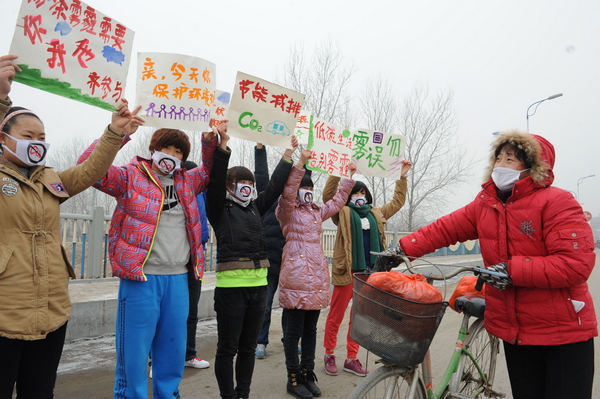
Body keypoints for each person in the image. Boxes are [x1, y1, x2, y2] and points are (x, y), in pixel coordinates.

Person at [385, 131, 597, 399]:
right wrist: (401, 249)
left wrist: (512, 270)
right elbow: (444, 229)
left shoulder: (557, 202)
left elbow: (575, 264)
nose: (501, 164)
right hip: (515, 332)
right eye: (499, 157)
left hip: (563, 333)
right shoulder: (485, 203)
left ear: (533, 166)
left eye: (511, 158)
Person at [0, 54, 143, 398]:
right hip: (5, 317)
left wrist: (114, 134)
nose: (37, 140)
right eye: (27, 134)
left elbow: (88, 172)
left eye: (42, 135)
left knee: (40, 391)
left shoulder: (49, 179)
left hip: (52, 313)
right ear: (3, 139)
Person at [78, 119, 227, 398]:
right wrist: (116, 134)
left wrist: (211, 142)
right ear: (153, 149)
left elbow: (210, 173)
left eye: (178, 152)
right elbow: (90, 169)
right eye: (166, 148)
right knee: (133, 356)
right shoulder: (130, 177)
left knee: (172, 352)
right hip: (141, 279)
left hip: (178, 279)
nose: (171, 156)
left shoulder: (187, 182)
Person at [206, 135, 297, 399]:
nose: (246, 187)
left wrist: (288, 155)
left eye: (249, 183)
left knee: (247, 348)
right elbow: (213, 183)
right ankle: (228, 396)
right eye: (240, 183)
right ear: (229, 186)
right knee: (227, 349)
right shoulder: (219, 209)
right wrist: (222, 148)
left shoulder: (256, 208)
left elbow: (276, 187)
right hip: (231, 290)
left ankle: (242, 393)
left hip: (258, 287)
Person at [277, 150, 356, 399]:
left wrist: (348, 178)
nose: (306, 190)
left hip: (316, 277)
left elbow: (337, 202)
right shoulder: (287, 211)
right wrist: (299, 165)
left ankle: (307, 372)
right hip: (295, 276)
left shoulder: (315, 212)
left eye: (309, 186)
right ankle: (293, 377)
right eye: (303, 186)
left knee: (311, 330)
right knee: (293, 331)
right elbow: (288, 193)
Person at [322, 160, 413, 376]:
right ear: (349, 195)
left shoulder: (376, 214)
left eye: (362, 192)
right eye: (355, 192)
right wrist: (341, 173)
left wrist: (402, 176)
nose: (359, 195)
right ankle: (329, 354)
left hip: (369, 273)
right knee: (336, 313)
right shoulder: (341, 212)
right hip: (348, 271)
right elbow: (328, 197)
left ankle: (352, 358)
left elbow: (398, 202)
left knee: (359, 316)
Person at [253, 142, 296, 359]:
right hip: (269, 262)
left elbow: (303, 176)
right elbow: (261, 173)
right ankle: (261, 341)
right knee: (266, 305)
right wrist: (260, 149)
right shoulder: (267, 199)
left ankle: (290, 339)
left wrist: (309, 157)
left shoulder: (294, 206)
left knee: (291, 306)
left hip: (290, 264)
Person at [181, 160, 211, 370]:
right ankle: (157, 359)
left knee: (192, 309)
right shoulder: (172, 190)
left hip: (197, 256)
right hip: (174, 255)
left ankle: (189, 354)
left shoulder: (201, 192)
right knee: (167, 313)